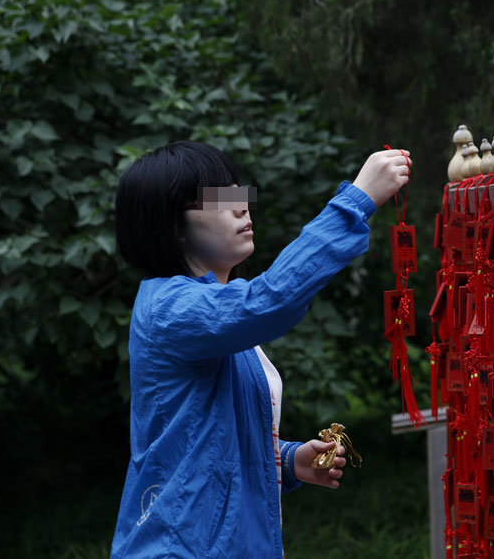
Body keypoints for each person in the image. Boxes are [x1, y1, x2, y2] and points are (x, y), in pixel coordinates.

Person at [110, 140, 411, 557]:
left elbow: (211, 439)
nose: (240, 207)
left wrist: (287, 460)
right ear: (172, 224)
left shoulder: (214, 310)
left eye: (238, 193)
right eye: (217, 199)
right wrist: (356, 201)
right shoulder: (170, 308)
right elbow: (271, 301)